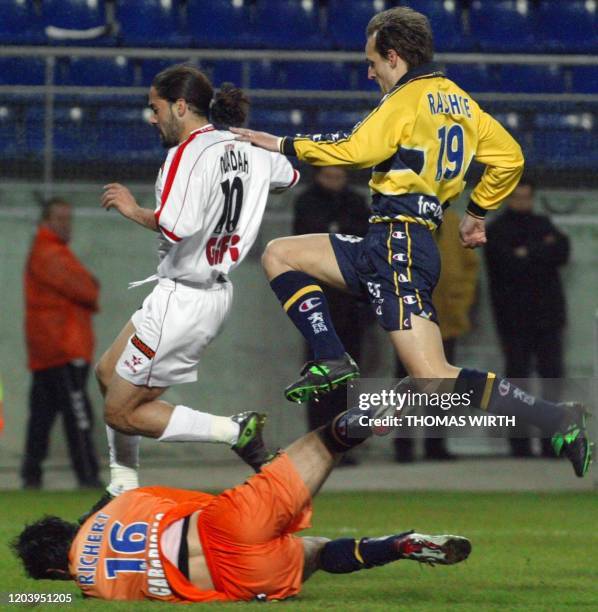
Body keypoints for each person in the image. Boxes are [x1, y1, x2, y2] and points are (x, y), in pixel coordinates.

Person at [231, 6, 591, 477]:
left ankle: (554, 418)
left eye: (373, 61)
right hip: (397, 240)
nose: (369, 70)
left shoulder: (405, 99)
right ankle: (331, 355)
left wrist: (280, 143)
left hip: (398, 244)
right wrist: (477, 212)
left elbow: (356, 151)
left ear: (394, 56)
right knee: (281, 253)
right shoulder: (461, 101)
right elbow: (509, 157)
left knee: (434, 377)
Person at [12, 404, 471, 602]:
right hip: (224, 525)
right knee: (322, 446)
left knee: (317, 553)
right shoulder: (113, 510)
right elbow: (170, 498)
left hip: (235, 578)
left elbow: (50, 593)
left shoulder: (89, 587)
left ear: (55, 571)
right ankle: (354, 425)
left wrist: (19, 593)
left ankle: (398, 546)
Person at [94, 65, 301, 504]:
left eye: (156, 108)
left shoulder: (185, 154)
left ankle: (234, 430)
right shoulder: (244, 143)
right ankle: (123, 486)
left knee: (119, 410)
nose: (153, 118)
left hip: (184, 299)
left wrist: (131, 208)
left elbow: (174, 226)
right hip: (207, 290)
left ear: (180, 106)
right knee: (107, 373)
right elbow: (289, 177)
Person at [485, 178, 570, 458]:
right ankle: (519, 444)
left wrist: (527, 253)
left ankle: (550, 442)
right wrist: (540, 251)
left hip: (548, 319)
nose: (523, 203)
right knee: (518, 383)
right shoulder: (497, 230)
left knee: (551, 380)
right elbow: (507, 264)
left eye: (526, 197)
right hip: (514, 320)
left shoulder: (543, 223)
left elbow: (562, 250)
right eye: (517, 197)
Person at [21, 197, 102, 489]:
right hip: (64, 348)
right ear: (46, 221)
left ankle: (31, 477)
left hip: (47, 349)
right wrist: (91, 284)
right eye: (60, 219)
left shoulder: (46, 252)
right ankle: (88, 476)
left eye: (69, 218)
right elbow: (87, 288)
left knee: (41, 418)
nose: (67, 225)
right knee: (78, 416)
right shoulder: (51, 253)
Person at [293, 166, 371, 456]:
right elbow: (307, 246)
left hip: (352, 304)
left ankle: (344, 441)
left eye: (339, 177)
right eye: (329, 177)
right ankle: (317, 442)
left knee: (349, 378)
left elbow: (363, 245)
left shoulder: (356, 202)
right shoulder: (307, 201)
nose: (335, 183)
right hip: (318, 304)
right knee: (319, 376)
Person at [394, 208, 479, 462]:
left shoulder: (453, 223)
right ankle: (404, 444)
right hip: (409, 318)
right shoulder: (405, 221)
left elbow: (468, 269)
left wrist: (460, 305)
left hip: (445, 317)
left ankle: (435, 444)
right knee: (406, 383)